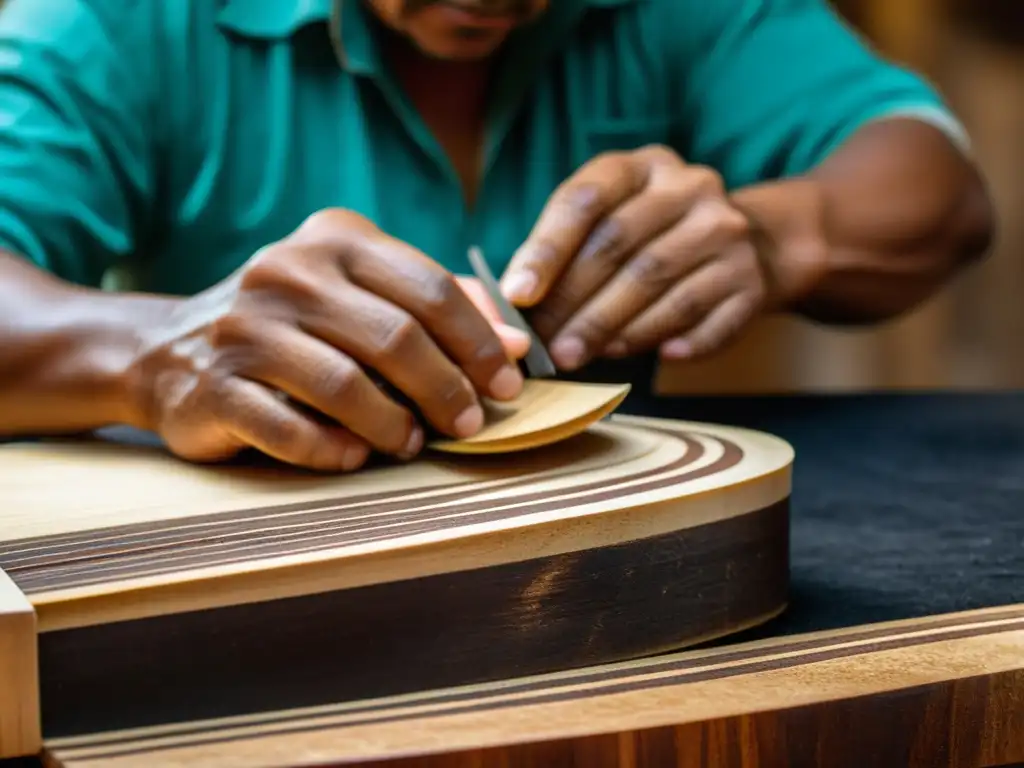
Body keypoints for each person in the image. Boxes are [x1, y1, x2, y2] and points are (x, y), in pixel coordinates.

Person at [0, 0, 995, 471]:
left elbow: (937, 191)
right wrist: (156, 351)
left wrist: (772, 236)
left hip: (597, 597)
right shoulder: (115, 22)